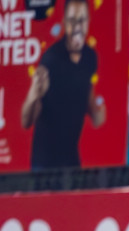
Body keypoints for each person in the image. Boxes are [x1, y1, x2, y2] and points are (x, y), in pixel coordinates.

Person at [21, 0, 106, 170]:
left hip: (71, 160)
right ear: (64, 22)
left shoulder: (90, 57)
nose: (77, 27)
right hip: (45, 163)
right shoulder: (51, 59)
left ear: (88, 21)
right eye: (72, 20)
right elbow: (26, 121)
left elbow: (87, 96)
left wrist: (98, 113)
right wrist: (33, 95)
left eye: (81, 20)